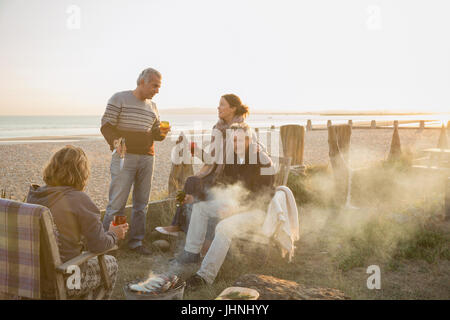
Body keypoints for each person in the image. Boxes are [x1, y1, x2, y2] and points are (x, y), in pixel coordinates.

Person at [175, 123, 275, 288]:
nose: (236, 144)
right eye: (233, 140)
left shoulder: (263, 162)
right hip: (234, 205)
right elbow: (221, 188)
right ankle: (191, 253)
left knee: (224, 227)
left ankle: (204, 277)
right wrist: (196, 198)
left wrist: (237, 209)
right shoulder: (233, 160)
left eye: (240, 140)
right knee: (200, 208)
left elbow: (263, 197)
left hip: (257, 212)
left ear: (249, 140)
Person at [27, 145, 128, 299]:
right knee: (111, 263)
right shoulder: (80, 200)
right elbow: (98, 245)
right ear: (81, 172)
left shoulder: (35, 196)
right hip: (65, 279)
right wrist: (113, 234)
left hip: (33, 279)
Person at [156, 94, 253, 238]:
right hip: (218, 173)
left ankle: (190, 232)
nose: (218, 107)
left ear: (233, 108)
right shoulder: (218, 127)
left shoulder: (242, 128)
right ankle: (180, 226)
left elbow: (239, 159)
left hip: (233, 177)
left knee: (196, 187)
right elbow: (212, 159)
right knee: (191, 181)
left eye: (222, 104)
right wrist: (196, 152)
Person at [100, 67, 170, 255]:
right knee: (117, 203)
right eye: (155, 85)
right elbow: (106, 125)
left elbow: (155, 133)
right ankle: (107, 243)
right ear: (142, 82)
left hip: (148, 157)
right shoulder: (119, 98)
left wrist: (161, 133)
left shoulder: (153, 107)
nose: (157, 90)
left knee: (142, 203)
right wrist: (115, 141)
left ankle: (136, 242)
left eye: (159, 87)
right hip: (124, 157)